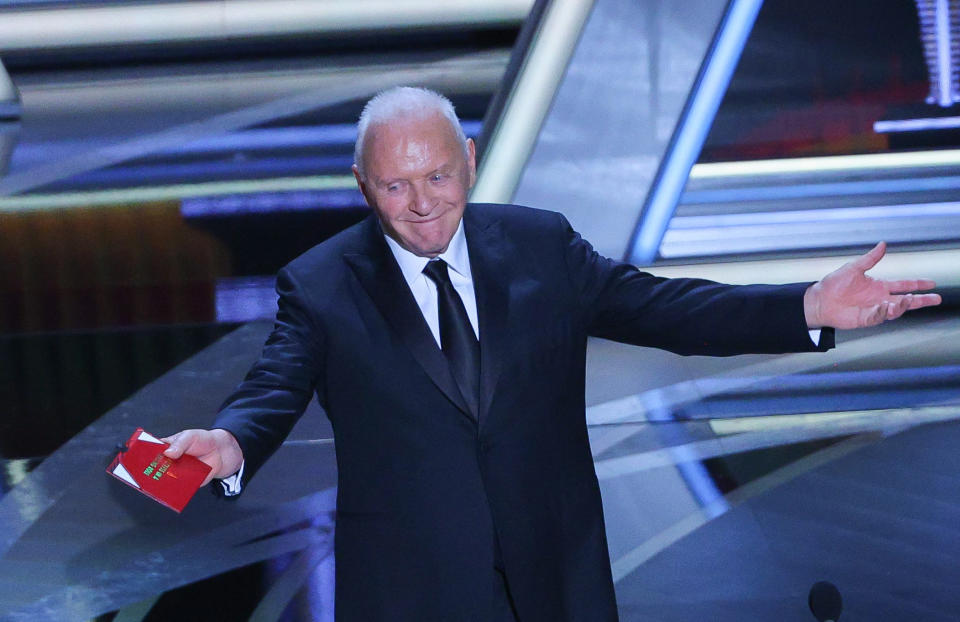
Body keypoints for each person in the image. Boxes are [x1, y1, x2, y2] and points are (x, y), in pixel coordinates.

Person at [162, 87, 942, 621]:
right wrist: (230, 442)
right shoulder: (322, 282)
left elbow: (664, 308)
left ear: (468, 159)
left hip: (556, 578)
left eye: (438, 175)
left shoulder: (540, 245)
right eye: (397, 187)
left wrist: (804, 305)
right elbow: (276, 383)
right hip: (413, 589)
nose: (424, 203)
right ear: (364, 185)